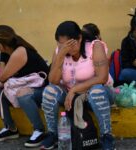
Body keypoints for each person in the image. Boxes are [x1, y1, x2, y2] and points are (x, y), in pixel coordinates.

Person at [41, 21, 115, 150]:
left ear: (79, 38)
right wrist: (60, 56)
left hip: (97, 93)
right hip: (71, 97)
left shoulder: (94, 47)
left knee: (96, 91)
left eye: (69, 44)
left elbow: (102, 78)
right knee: (49, 90)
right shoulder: (60, 52)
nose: (66, 48)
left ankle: (106, 136)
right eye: (61, 44)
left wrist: (74, 89)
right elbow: (53, 81)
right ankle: (52, 134)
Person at [0, 25, 49, 148]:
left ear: (1, 43)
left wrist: (1, 78)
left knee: (23, 95)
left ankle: (39, 130)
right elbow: (4, 78)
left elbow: (3, 76)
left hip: (42, 88)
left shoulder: (20, 51)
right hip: (26, 84)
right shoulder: (6, 52)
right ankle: (10, 128)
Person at [119, 7, 136, 88]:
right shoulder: (126, 42)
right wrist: (134, 63)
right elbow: (125, 64)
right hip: (135, 72)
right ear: (132, 30)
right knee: (125, 73)